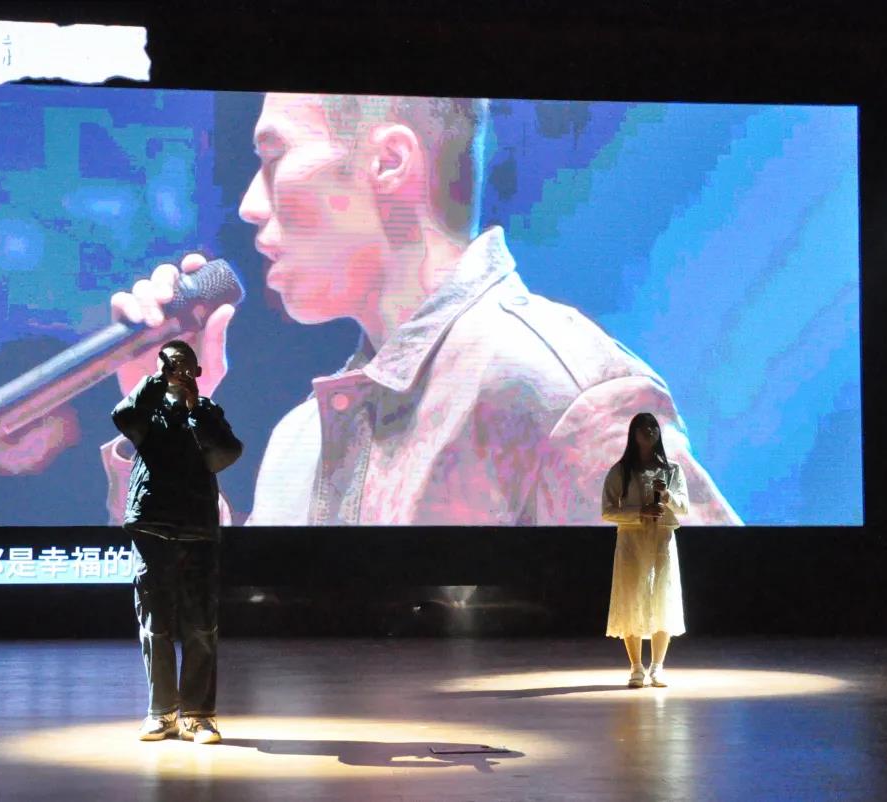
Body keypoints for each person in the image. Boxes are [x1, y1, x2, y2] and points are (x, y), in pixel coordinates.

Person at [101, 92, 740, 527]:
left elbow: (706, 624)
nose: (249, 203)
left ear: (389, 161)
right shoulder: (301, 439)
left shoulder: (555, 388)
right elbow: (206, 629)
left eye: (273, 157)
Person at [112, 339, 243, 743]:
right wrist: (156, 381)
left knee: (201, 625)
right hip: (152, 525)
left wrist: (195, 408)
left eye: (184, 364)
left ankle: (199, 716)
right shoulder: (147, 411)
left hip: (197, 528)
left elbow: (224, 455)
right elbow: (123, 417)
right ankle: (162, 712)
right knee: (156, 625)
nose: (177, 370)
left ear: (197, 371)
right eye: (170, 364)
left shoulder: (207, 413)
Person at [601, 412, 688, 688]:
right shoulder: (621, 470)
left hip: (661, 540)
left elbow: (684, 507)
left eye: (653, 426)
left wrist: (667, 496)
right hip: (631, 540)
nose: (649, 431)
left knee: (663, 598)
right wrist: (640, 511)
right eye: (643, 427)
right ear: (633, 433)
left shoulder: (673, 470)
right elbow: (607, 510)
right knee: (631, 597)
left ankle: (658, 666)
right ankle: (636, 666)